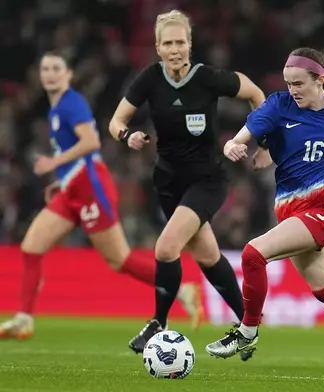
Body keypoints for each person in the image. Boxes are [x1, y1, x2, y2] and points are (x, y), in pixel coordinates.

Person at [205, 47, 324, 383]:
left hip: (323, 211)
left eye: (299, 83)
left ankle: (247, 330)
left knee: (252, 254)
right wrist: (234, 142)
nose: (293, 90)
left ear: (319, 79)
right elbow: (251, 126)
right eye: (289, 83)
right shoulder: (278, 105)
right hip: (289, 209)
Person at [0, 51, 203, 340]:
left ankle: (181, 290)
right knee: (32, 246)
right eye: (45, 69)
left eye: (56, 68)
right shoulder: (56, 109)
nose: (50, 74)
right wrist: (62, 180)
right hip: (73, 187)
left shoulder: (71, 103)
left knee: (119, 259)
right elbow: (75, 154)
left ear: (68, 74)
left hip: (91, 187)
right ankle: (23, 317)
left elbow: (91, 142)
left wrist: (54, 165)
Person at [108, 10, 267, 360]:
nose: (175, 49)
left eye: (181, 42)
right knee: (209, 256)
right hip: (167, 181)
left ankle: (158, 322)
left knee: (166, 249)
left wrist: (265, 143)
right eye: (168, 43)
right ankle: (248, 325)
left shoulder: (208, 78)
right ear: (158, 47)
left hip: (206, 181)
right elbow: (116, 120)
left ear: (190, 44)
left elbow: (257, 94)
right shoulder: (149, 79)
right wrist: (127, 135)